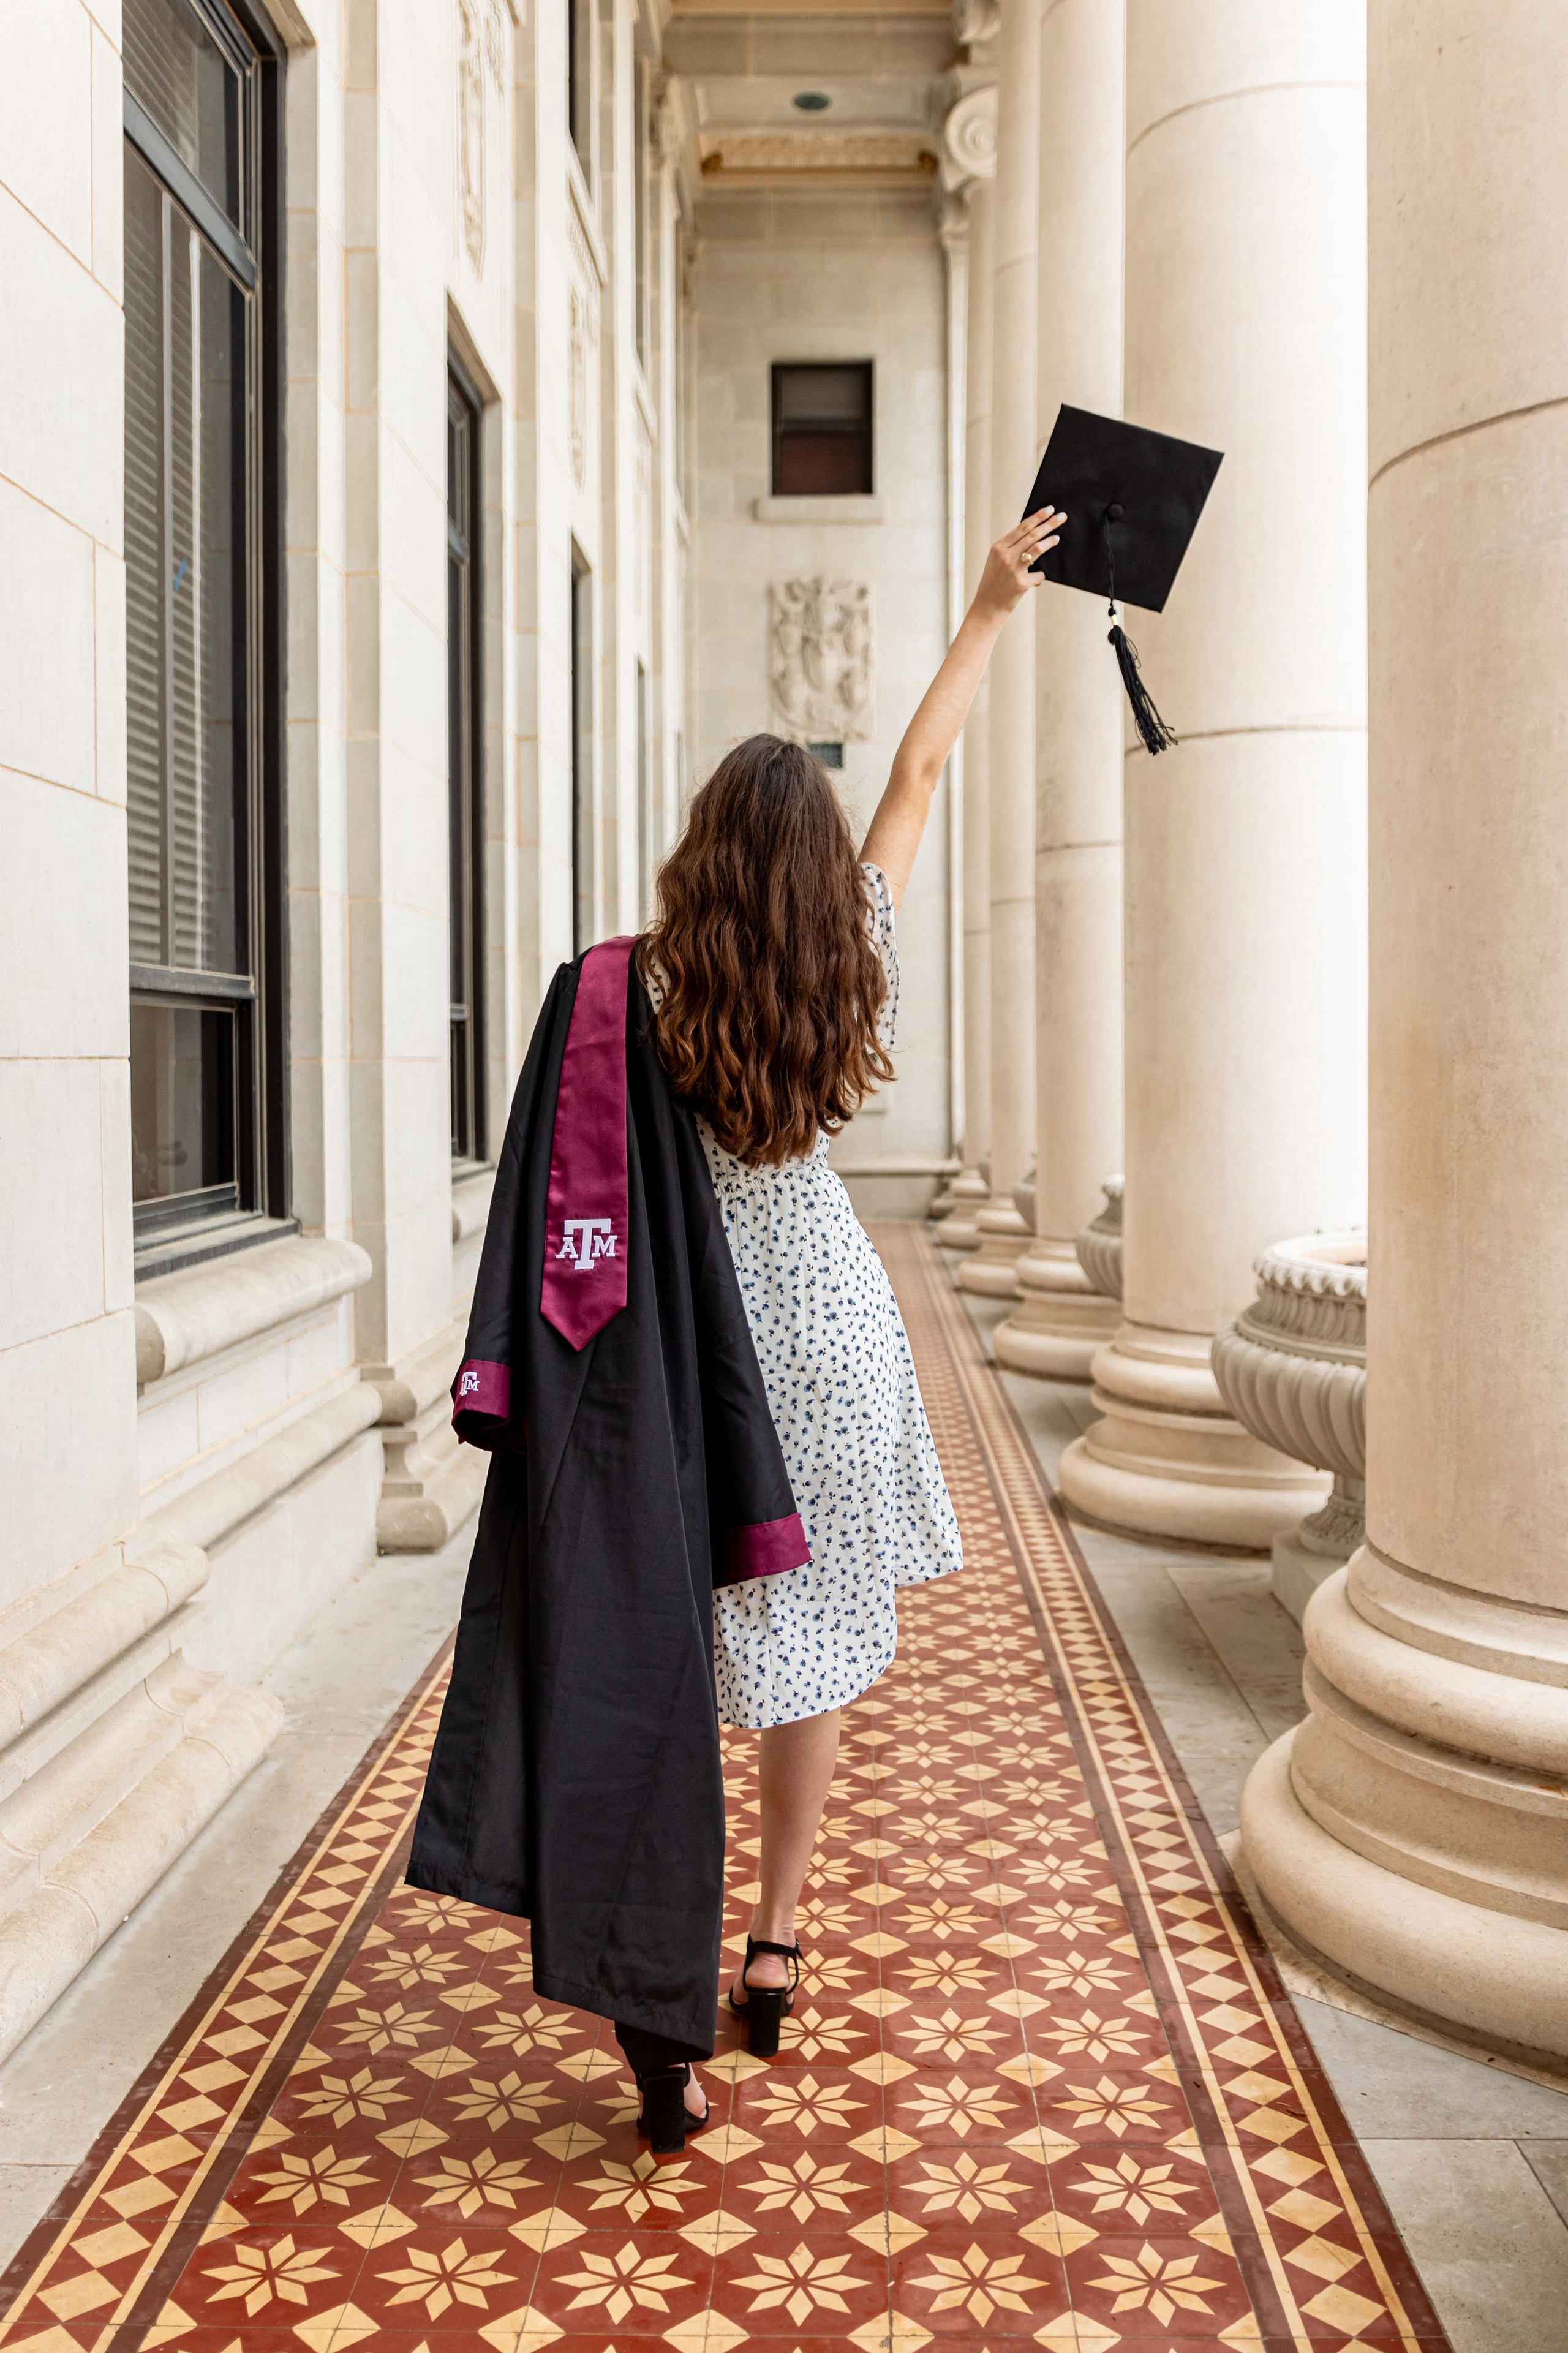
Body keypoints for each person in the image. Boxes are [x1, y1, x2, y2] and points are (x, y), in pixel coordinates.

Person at [641, 504, 1065, 2120]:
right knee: (807, 1636)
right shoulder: (853, 948)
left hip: (708, 1334)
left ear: (701, 858)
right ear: (812, 866)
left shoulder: (661, 985)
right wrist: (982, 613)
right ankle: (776, 1930)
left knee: (686, 1633)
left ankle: (669, 1947)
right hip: (827, 1314)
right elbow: (917, 780)